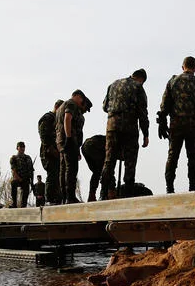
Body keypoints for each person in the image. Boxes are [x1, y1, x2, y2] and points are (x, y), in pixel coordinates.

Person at [159, 56, 195, 193]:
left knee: (172, 156)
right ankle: (192, 188)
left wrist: (162, 124)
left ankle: (169, 188)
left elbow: (164, 106)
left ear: (183, 67)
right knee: (193, 157)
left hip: (176, 124)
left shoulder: (173, 81)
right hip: (192, 125)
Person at [101, 69, 150, 199]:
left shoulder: (113, 84)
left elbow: (105, 107)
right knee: (130, 161)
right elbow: (143, 113)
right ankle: (127, 195)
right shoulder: (138, 87)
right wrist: (145, 134)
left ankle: (103, 193)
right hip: (129, 128)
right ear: (141, 79)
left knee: (109, 160)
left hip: (112, 126)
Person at [55, 90, 89, 204]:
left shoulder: (61, 107)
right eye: (82, 102)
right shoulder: (71, 104)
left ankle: (65, 197)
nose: (81, 106)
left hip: (61, 142)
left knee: (64, 169)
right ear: (79, 97)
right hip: (68, 141)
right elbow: (67, 118)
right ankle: (70, 197)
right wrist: (69, 138)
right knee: (71, 170)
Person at [38, 100, 64, 205]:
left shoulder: (57, 119)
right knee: (52, 174)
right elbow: (43, 135)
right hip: (48, 152)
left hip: (56, 151)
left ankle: (57, 198)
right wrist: (50, 148)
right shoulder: (48, 118)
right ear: (57, 107)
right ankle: (49, 199)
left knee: (58, 175)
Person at [81, 135, 107, 202]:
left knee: (97, 172)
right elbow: (109, 169)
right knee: (104, 170)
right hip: (94, 145)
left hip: (85, 146)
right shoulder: (115, 146)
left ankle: (92, 196)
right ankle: (104, 194)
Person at [9, 141, 34, 208]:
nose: (22, 148)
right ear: (17, 148)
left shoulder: (28, 158)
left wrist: (32, 182)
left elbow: (31, 171)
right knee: (13, 183)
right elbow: (13, 171)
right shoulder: (13, 158)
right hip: (18, 179)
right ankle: (14, 203)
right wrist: (20, 179)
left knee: (24, 199)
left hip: (26, 179)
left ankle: (23, 206)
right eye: (21, 147)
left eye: (23, 147)